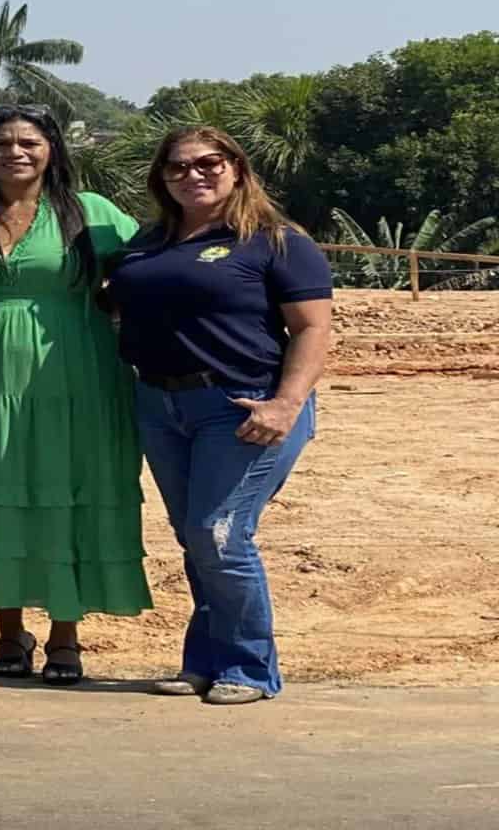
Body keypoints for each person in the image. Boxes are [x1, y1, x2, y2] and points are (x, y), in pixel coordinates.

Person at [0, 107, 152, 685]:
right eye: (1, 142)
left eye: (28, 142)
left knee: (67, 492)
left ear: (52, 150)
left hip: (78, 378)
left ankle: (66, 635)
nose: (14, 152)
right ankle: (9, 631)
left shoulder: (92, 214)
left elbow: (151, 272)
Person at [106, 127, 332, 705]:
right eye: (177, 167)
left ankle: (250, 669)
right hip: (160, 405)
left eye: (209, 163)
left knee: (220, 535)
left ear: (236, 168)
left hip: (243, 405)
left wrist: (286, 404)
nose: (194, 175)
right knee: (195, 538)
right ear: (162, 178)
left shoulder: (274, 241)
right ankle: (203, 662)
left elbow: (312, 328)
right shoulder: (147, 242)